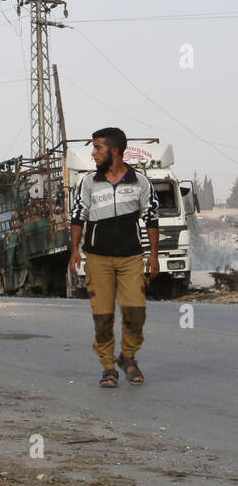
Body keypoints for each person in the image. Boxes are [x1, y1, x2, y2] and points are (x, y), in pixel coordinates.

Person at [69, 127, 159, 388]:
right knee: (103, 316)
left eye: (98, 147)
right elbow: (78, 217)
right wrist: (74, 250)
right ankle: (109, 367)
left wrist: (153, 255)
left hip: (131, 258)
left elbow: (151, 218)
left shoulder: (140, 181)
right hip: (98, 259)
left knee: (135, 312)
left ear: (115, 151)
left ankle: (128, 357)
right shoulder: (88, 182)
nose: (94, 153)